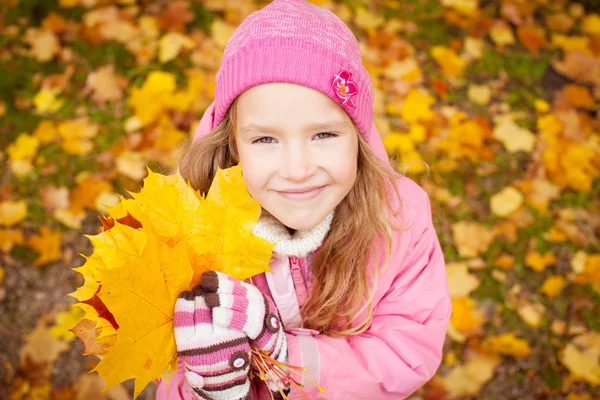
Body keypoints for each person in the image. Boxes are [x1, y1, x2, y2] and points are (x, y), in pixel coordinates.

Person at [156, 0, 451, 398]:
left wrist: (286, 355)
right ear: (231, 145)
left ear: (358, 134)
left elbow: (407, 350)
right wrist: (212, 387)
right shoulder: (188, 238)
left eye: (324, 135)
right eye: (265, 139)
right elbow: (167, 371)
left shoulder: (399, 220)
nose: (297, 169)